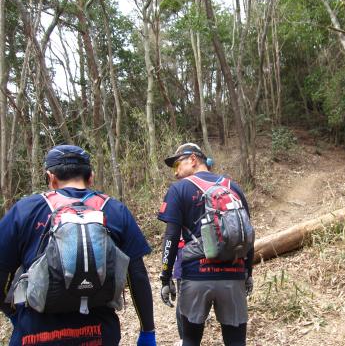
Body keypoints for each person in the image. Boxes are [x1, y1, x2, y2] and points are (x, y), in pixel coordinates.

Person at [0, 145, 156, 346]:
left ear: (51, 177)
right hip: (99, 333)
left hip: (35, 333)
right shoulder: (115, 209)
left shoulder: (25, 210)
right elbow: (137, 276)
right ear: (91, 176)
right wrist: (147, 330)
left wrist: (13, 312)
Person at [157, 143, 254, 346]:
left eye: (177, 166)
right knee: (236, 342)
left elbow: (171, 238)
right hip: (233, 275)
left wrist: (165, 277)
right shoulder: (232, 186)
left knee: (190, 340)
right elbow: (247, 233)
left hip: (195, 276)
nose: (175, 173)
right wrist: (247, 272)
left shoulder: (179, 189)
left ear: (193, 159)